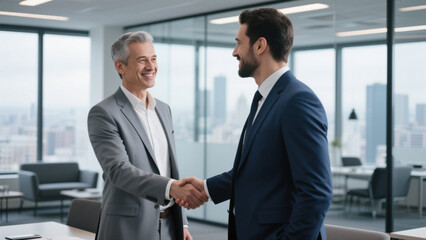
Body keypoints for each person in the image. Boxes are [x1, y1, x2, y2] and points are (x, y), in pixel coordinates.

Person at [177, 8, 333, 240]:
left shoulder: (298, 100)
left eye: (239, 43)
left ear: (260, 46)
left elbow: (316, 191)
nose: (234, 52)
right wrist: (206, 188)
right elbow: (257, 171)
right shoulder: (264, 97)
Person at [87, 31, 207, 240]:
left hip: (170, 225)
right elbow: (119, 171)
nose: (151, 67)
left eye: (153, 59)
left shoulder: (164, 110)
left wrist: (183, 222)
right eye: (142, 60)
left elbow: (169, 168)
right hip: (128, 229)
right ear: (120, 66)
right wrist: (172, 188)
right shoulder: (104, 113)